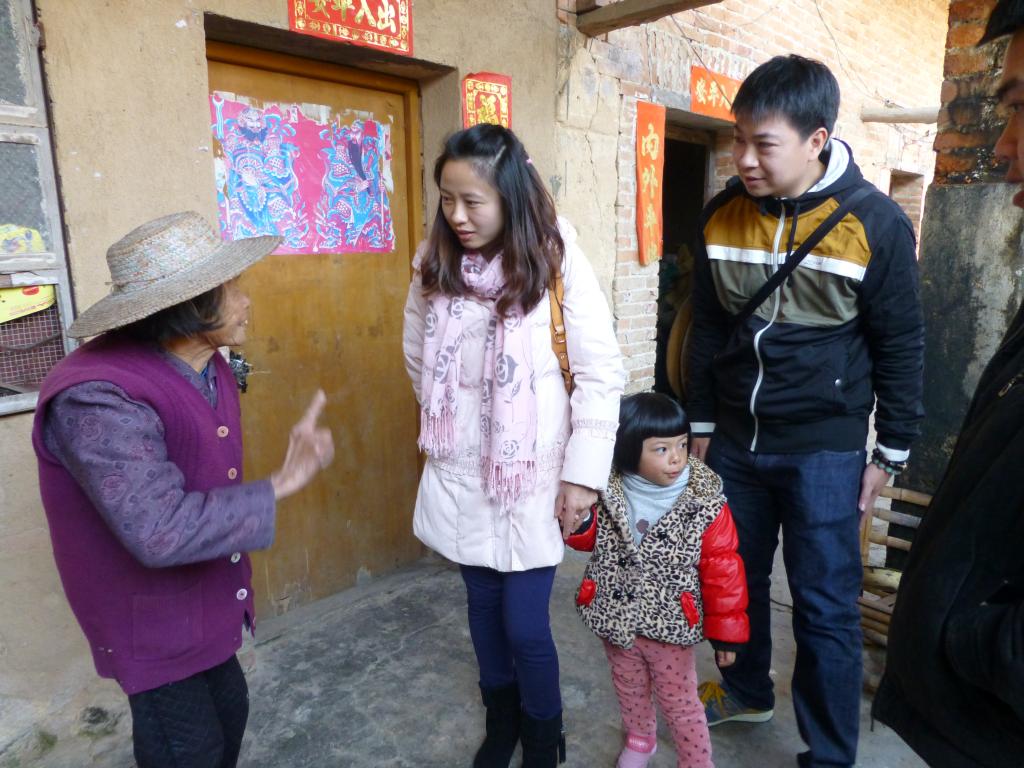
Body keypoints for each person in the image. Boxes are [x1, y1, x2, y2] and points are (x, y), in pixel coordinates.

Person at [686, 55, 925, 767]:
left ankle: (828, 752)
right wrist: (701, 423)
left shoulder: (875, 223)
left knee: (824, 604)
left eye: (764, 144)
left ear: (817, 139)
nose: (744, 159)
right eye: (739, 139)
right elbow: (706, 326)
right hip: (735, 441)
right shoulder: (721, 215)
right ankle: (746, 689)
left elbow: (901, 342)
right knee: (734, 578)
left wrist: (890, 451)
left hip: (825, 447)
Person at [31, 211, 335, 768]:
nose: (246, 301)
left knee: (230, 713)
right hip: (147, 621)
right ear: (189, 306)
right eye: (232, 288)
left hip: (201, 602)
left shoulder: (206, 362)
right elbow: (158, 530)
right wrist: (280, 484)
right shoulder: (96, 396)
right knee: (188, 749)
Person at [402, 124, 625, 768]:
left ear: (511, 197)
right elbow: (416, 353)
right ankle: (501, 723)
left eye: (473, 201)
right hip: (463, 470)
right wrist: (456, 419)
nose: (457, 216)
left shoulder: (555, 259)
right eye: (447, 199)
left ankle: (544, 736)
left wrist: (582, 476)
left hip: (534, 473)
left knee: (525, 624)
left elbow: (600, 372)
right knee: (481, 608)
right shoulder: (434, 262)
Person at [872, 3, 1024, 765]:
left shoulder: (874, 226)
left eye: (1020, 108)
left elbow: (901, 345)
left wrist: (961, 636)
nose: (1002, 148)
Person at [568, 393, 749, 768]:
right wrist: (582, 521)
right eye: (662, 449)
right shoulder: (608, 490)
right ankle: (640, 739)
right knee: (628, 685)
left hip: (670, 626)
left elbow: (724, 570)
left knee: (679, 701)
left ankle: (696, 761)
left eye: (682, 445)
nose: (677, 458)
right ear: (629, 450)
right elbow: (587, 540)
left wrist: (726, 634)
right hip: (616, 615)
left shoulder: (705, 505)